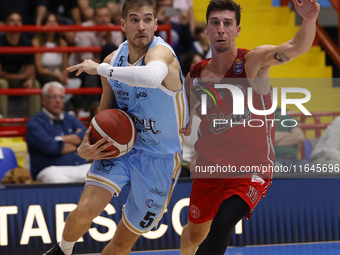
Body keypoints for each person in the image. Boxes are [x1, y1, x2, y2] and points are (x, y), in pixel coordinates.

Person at [42, 0, 188, 254]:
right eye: (134, 19)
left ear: (155, 24)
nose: (141, 26)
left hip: (160, 158)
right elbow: (104, 117)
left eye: (146, 19)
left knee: (121, 243)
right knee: (85, 210)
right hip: (122, 149)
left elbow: (152, 77)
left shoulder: (161, 54)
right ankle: (63, 250)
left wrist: (100, 68)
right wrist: (85, 149)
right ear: (122, 25)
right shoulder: (113, 60)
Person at [180, 0, 320, 254]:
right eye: (215, 23)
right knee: (193, 235)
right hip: (210, 167)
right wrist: (182, 126)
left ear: (237, 30)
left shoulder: (253, 62)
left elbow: (297, 47)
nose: (221, 28)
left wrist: (308, 21)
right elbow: (182, 117)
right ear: (208, 29)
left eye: (227, 23)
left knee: (223, 222)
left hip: (250, 168)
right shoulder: (197, 75)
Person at [26, 82, 90, 183]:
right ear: (43, 99)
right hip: (51, 169)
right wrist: (77, 142)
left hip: (80, 167)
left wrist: (58, 139)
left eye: (61, 97)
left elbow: (88, 138)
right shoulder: (35, 123)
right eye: (53, 97)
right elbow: (51, 147)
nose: (58, 101)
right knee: (56, 179)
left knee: (102, 175)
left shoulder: (71, 119)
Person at [69, 3, 123, 111]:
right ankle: (91, 108)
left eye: (106, 16)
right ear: (93, 18)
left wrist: (108, 39)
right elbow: (87, 60)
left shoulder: (115, 30)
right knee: (92, 73)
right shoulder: (85, 30)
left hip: (105, 68)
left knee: (115, 69)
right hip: (80, 69)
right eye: (100, 16)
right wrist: (102, 66)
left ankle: (115, 107)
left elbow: (118, 57)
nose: (104, 20)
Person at [0, 11, 41, 118]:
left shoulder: (27, 43)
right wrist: (20, 76)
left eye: (19, 20)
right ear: (5, 24)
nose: (16, 23)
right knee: (2, 84)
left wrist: (30, 79)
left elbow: (31, 68)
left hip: (18, 79)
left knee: (35, 84)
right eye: (12, 20)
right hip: (4, 79)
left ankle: (35, 121)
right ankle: (2, 122)